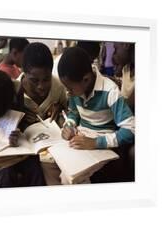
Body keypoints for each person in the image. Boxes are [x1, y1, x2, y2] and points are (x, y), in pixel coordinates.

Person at [58, 47, 135, 183]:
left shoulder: (110, 91)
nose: (68, 93)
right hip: (81, 139)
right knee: (57, 166)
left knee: (74, 177)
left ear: (86, 79)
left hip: (102, 143)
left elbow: (131, 130)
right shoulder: (76, 89)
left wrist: (95, 143)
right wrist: (69, 124)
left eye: (70, 88)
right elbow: (74, 113)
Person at [17, 42, 67, 185]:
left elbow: (70, 111)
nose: (41, 86)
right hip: (27, 153)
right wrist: (19, 119)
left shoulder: (58, 86)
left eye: (46, 79)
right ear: (23, 72)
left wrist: (61, 108)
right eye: (34, 80)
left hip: (54, 147)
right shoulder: (14, 92)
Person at [112, 43, 135, 113]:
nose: (113, 54)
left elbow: (127, 106)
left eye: (116, 49)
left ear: (126, 45)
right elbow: (125, 93)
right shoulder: (126, 68)